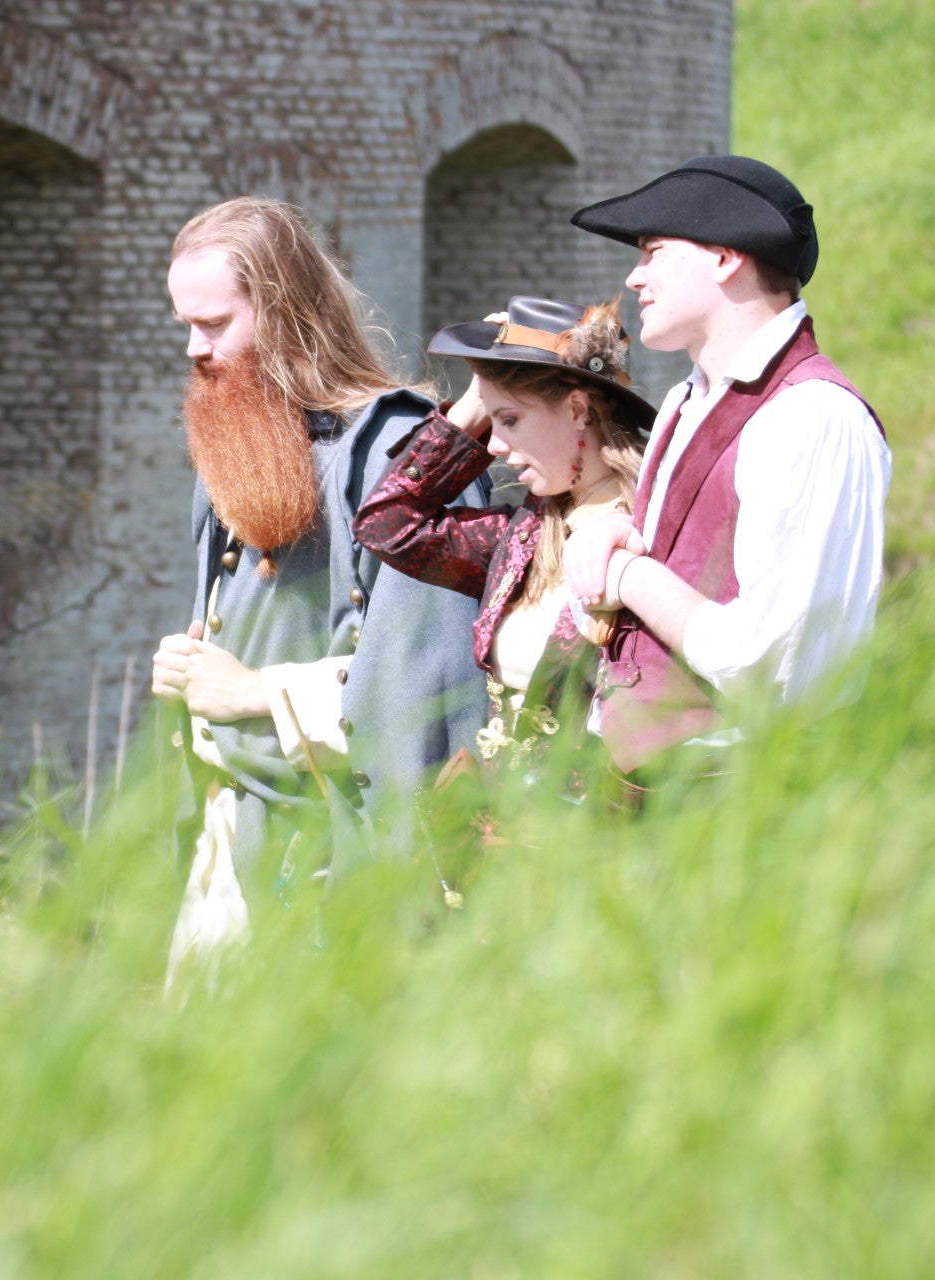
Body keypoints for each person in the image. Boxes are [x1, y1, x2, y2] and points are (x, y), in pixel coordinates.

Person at [151, 197, 488, 984]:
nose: (195, 349)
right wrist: (192, 671)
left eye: (214, 325)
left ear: (284, 314)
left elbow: (433, 707)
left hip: (340, 865)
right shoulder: (237, 439)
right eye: (186, 326)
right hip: (233, 845)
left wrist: (253, 692)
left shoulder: (400, 456)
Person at [561, 155, 893, 777]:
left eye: (654, 252)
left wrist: (631, 574)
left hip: (740, 794)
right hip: (649, 793)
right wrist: (613, 542)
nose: (634, 277)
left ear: (724, 257)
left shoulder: (813, 415)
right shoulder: (686, 401)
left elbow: (779, 668)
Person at [353, 296, 654, 779]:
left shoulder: (658, 528)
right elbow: (388, 524)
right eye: (491, 422)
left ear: (578, 408)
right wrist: (479, 394)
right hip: (508, 820)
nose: (492, 444)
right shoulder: (523, 537)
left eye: (509, 419)